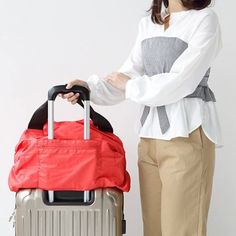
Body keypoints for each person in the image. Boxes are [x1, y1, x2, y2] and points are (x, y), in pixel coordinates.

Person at [61, 0, 223, 235]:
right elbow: (126, 76)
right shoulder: (149, 24)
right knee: (153, 229)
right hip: (149, 139)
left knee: (182, 230)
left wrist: (131, 85)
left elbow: (181, 82)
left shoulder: (205, 20)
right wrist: (89, 89)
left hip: (186, 134)